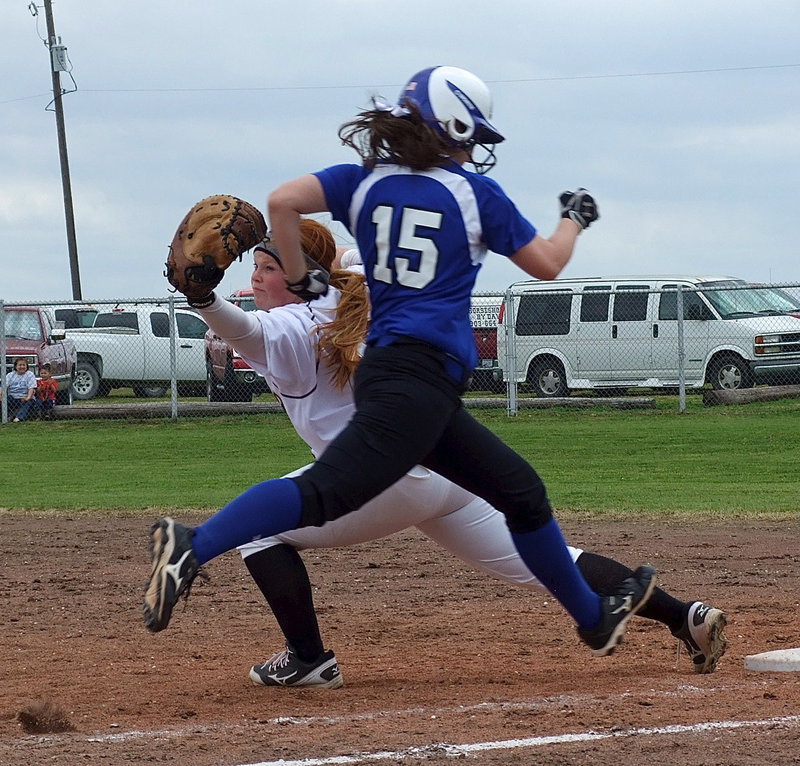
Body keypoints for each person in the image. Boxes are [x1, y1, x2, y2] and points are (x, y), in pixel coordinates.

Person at [144, 66, 657, 660]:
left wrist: (298, 271)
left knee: (521, 492)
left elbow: (282, 201)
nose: (473, 150)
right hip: (417, 378)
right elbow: (546, 264)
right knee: (326, 491)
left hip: (410, 379)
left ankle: (594, 618)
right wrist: (574, 218)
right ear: (452, 128)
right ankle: (193, 544)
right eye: (470, 136)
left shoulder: (365, 182)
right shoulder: (472, 194)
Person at [195, 228, 726, 687]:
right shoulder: (358, 290)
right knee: (548, 560)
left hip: (378, 478)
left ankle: (308, 659)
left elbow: (242, 328)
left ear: (298, 276)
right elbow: (352, 260)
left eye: (268, 268)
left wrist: (200, 295)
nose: (257, 278)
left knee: (260, 531)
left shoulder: (292, 324)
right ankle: (686, 618)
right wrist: (321, 256)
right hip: (445, 470)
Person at [2, 358, 37, 422]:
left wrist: (28, 398)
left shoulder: (30, 374)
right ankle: (7, 416)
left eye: (24, 365)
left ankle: (19, 418)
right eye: (20, 365)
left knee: (29, 402)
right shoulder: (10, 375)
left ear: (27, 366)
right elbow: (3, 387)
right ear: (15, 366)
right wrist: (1, 396)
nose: (22, 367)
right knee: (7, 399)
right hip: (13, 398)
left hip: (25, 397)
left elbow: (31, 388)